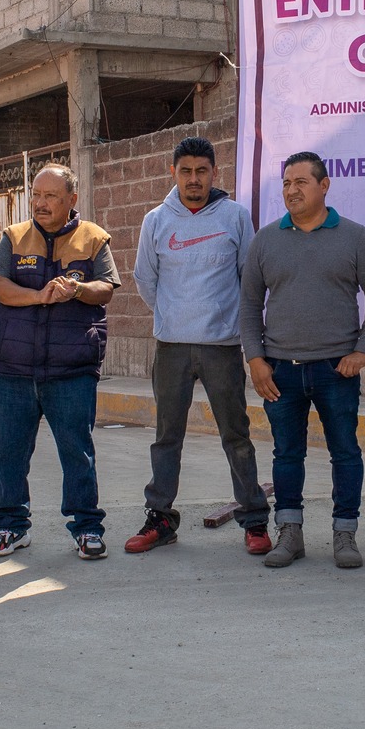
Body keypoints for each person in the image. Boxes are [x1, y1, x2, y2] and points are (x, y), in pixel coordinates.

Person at [240, 151, 365, 570]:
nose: (291, 190)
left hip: (336, 370)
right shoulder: (266, 240)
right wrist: (255, 358)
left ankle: (345, 534)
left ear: (324, 186)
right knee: (287, 454)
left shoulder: (354, 237)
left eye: (301, 182)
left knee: (345, 452)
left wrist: (363, 349)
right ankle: (290, 533)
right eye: (286, 182)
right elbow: (249, 304)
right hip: (279, 371)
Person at [129, 137, 267, 555]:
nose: (194, 179)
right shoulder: (156, 220)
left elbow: (250, 281)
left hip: (221, 347)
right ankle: (161, 519)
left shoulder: (235, 217)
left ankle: (254, 519)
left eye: (201, 171)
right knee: (167, 437)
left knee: (236, 436)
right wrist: (173, 316)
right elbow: (145, 280)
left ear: (213, 173)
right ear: (173, 173)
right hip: (171, 347)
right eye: (185, 171)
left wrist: (229, 327)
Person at [0, 165, 121, 561]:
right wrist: (38, 296)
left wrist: (76, 288)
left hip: (71, 368)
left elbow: (106, 289)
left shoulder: (93, 239)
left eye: (51, 196)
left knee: (77, 452)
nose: (40, 203)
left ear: (71, 200)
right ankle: (10, 526)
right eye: (36, 195)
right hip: (14, 367)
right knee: (9, 452)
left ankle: (87, 527)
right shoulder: (15, 237)